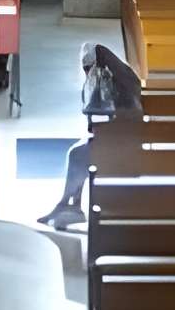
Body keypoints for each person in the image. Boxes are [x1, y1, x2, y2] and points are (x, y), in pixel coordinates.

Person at [38, 39, 143, 229]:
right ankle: (69, 206)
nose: (87, 72)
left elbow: (106, 120)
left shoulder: (112, 82)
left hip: (124, 148)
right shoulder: (118, 77)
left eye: (88, 67)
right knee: (80, 154)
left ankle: (69, 206)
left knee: (78, 155)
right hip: (123, 143)